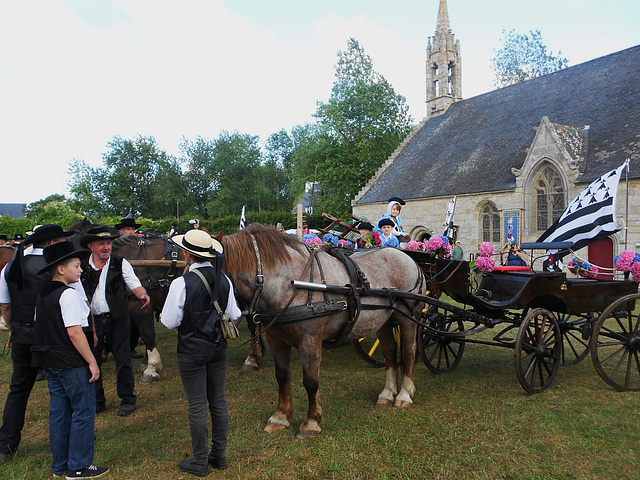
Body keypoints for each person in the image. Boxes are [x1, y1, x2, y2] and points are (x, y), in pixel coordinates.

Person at [160, 229, 241, 477]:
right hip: (218, 348)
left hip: (191, 350)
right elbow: (235, 315)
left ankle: (199, 461)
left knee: (197, 404)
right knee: (218, 400)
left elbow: (169, 321)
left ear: (187, 254)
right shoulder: (224, 279)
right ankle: (219, 455)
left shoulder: (180, 283)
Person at [32, 241, 109, 479]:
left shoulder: (43, 293)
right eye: (76, 266)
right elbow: (75, 332)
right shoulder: (68, 295)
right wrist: (92, 361)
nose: (80, 270)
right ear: (61, 269)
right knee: (84, 412)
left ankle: (60, 466)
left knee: (59, 413)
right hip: (71, 363)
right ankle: (78, 465)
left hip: (51, 362)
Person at [0, 224, 77, 464]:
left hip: (23, 336)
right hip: (56, 339)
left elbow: (5, 306)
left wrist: (15, 329)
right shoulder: (61, 266)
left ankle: (6, 445)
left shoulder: (11, 267)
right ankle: (71, 440)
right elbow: (77, 302)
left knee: (18, 390)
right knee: (64, 391)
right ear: (53, 243)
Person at [79, 226, 150, 417]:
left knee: (123, 359)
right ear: (91, 246)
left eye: (108, 243)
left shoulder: (120, 263)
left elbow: (134, 283)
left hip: (117, 318)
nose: (106, 247)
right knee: (92, 360)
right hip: (91, 321)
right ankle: (97, 400)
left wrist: (142, 294)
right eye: (101, 243)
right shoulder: (82, 266)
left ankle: (127, 399)